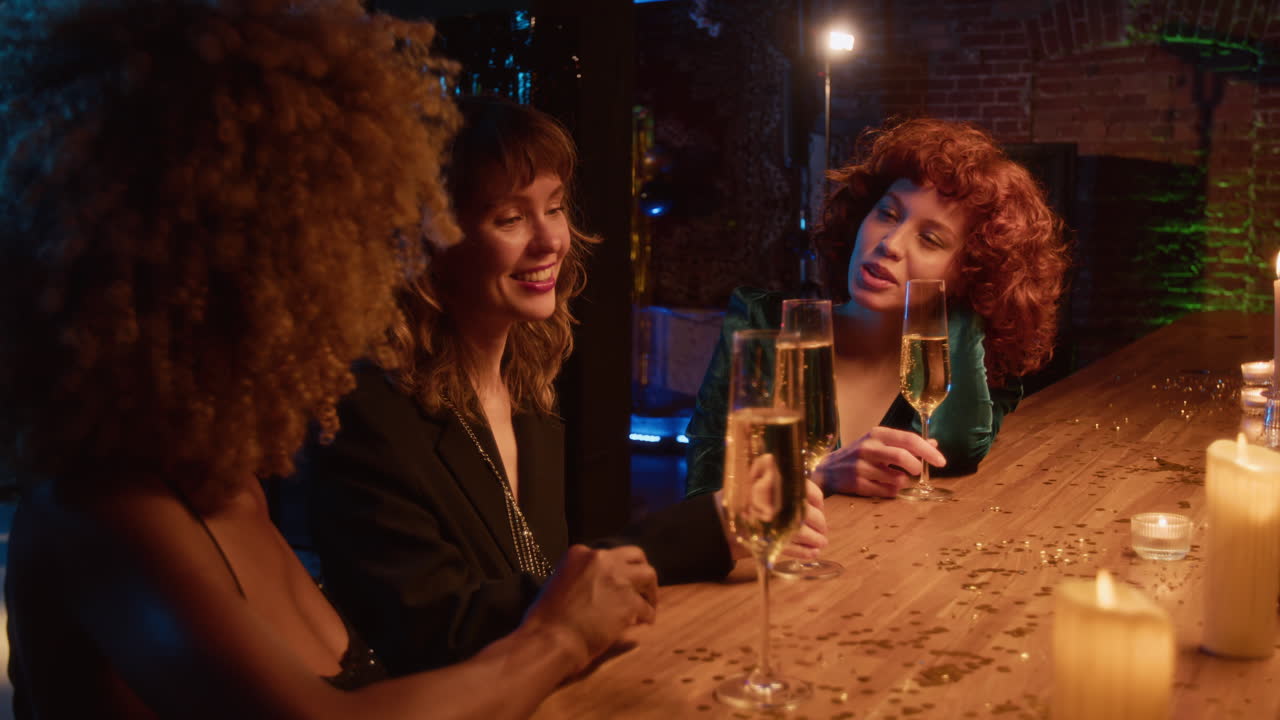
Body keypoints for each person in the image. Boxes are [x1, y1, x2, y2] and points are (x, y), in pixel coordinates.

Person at [1, 2, 658, 718]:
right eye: (277, 252)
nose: (340, 283)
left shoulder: (226, 484)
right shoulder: (102, 508)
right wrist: (556, 638)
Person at [303, 95, 829, 676]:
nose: (550, 240)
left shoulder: (530, 388)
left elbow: (542, 584)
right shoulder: (362, 412)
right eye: (509, 217)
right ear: (427, 244)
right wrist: (693, 536)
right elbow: (437, 632)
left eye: (553, 208)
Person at [686, 117, 1069, 499]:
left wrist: (974, 300)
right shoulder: (765, 327)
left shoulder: (969, 369)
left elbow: (956, 449)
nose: (891, 243)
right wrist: (820, 478)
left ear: (972, 271)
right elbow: (705, 497)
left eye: (931, 239)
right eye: (887, 214)